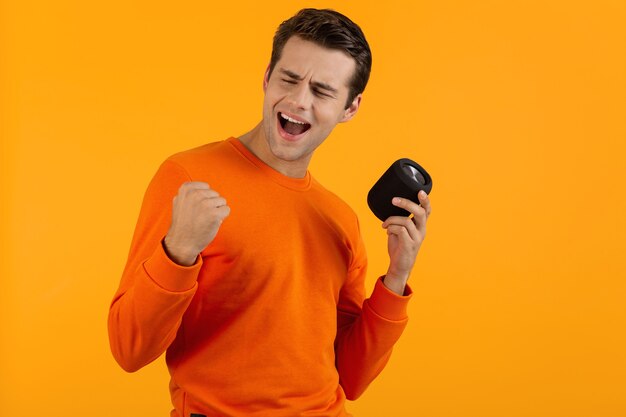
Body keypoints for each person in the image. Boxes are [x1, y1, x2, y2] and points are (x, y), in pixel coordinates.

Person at [108, 8, 431, 417]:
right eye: (289, 79)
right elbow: (128, 349)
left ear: (350, 108)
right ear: (266, 77)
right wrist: (178, 251)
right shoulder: (188, 178)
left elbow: (351, 378)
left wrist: (397, 277)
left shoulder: (340, 219)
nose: (298, 101)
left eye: (322, 91)